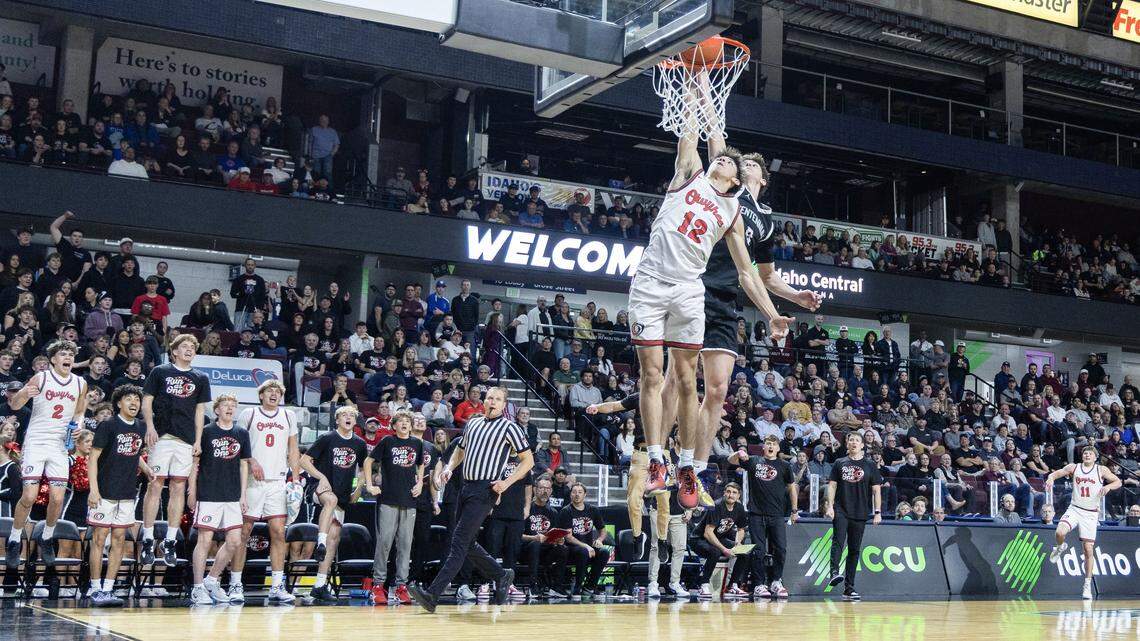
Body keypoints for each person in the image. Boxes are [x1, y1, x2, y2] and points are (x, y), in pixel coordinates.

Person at [627, 93, 791, 510]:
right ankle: (658, 458)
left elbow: (753, 272)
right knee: (657, 377)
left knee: (696, 384)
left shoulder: (744, 213)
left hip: (696, 290)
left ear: (746, 178)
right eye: (732, 159)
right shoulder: (694, 173)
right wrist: (697, 86)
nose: (731, 162)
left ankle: (691, 468)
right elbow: (701, 135)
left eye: (739, 164)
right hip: (653, 282)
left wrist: (774, 312)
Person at [659, 152, 819, 508]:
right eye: (739, 162)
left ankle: (694, 471)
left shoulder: (765, 221)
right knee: (678, 378)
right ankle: (655, 457)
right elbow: (719, 142)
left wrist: (796, 296)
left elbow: (764, 277)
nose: (743, 164)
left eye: (752, 164)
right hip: (693, 286)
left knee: (717, 390)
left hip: (725, 299)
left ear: (763, 178)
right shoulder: (726, 188)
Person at [407, 387, 533, 613]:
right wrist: (448, 467)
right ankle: (501, 575)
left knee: (458, 543)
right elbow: (460, 450)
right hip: (466, 487)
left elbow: (528, 461)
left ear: (504, 405)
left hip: (486, 489)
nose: (492, 402)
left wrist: (506, 482)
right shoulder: (473, 424)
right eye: (490, 398)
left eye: (497, 399)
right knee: (466, 542)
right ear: (484, 402)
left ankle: (432, 595)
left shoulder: (510, 428)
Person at [5, 340, 87, 569]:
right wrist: (23, 393)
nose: (67, 357)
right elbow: (15, 406)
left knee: (58, 498)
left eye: (71, 353)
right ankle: (14, 539)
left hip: (60, 445)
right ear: (53, 359)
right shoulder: (41, 378)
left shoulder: (80, 383)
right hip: (36, 442)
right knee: (29, 496)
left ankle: (47, 536)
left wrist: (78, 425)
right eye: (63, 353)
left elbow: (79, 412)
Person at [139, 334, 212, 567]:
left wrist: (198, 440)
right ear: (175, 351)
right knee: (155, 484)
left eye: (193, 346)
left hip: (186, 440)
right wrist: (149, 426)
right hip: (161, 435)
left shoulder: (200, 377)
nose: (189, 349)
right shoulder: (160, 371)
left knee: (179, 486)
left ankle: (170, 539)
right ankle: (148, 538)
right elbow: (147, 401)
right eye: (185, 346)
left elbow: (200, 412)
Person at [230, 380, 301, 603]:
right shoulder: (249, 414)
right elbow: (237, 444)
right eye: (270, 391)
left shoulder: (288, 415)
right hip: (251, 481)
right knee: (244, 532)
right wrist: (251, 461)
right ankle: (235, 584)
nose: (274, 394)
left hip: (277, 482)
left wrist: (296, 478)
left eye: (278, 391)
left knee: (279, 533)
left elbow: (293, 449)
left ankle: (277, 585)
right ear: (261, 395)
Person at [85, 384, 150, 606]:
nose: (134, 403)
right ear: (119, 403)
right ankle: (94, 588)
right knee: (99, 539)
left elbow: (134, 453)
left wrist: (147, 469)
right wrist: (93, 489)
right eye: (129, 399)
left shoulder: (141, 427)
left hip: (127, 492)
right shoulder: (108, 425)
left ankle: (109, 588)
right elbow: (92, 458)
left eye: (137, 399)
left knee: (120, 539)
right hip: (104, 492)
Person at [188, 394, 252, 605]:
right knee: (205, 541)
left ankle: (212, 580)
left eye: (233, 405)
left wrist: (243, 494)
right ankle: (197, 587)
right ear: (216, 410)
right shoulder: (206, 432)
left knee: (234, 541)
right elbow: (195, 463)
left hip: (232, 495)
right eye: (225, 405)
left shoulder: (242, 433)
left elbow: (244, 465)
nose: (229, 408)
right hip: (209, 493)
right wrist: (191, 489)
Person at [302, 406, 368, 602]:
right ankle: (319, 542)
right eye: (344, 415)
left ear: (355, 421)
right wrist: (321, 477)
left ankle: (320, 585)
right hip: (319, 488)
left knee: (335, 537)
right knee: (329, 500)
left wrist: (358, 489)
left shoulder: (359, 443)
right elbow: (304, 461)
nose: (348, 418)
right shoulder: (327, 438)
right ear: (337, 420)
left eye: (352, 416)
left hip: (343, 493)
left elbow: (364, 468)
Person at [363, 411, 425, 605]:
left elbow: (421, 464)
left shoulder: (417, 443)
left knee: (406, 544)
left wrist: (420, 483)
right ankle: (378, 585)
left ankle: (401, 586)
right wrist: (369, 484)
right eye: (402, 421)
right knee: (385, 543)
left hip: (409, 499)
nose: (405, 424)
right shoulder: (387, 442)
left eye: (408, 421)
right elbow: (368, 461)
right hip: (388, 499)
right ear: (394, 425)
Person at [1046, 446, 1122, 600]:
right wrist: (1050, 478)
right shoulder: (1074, 467)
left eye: (1090, 453)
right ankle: (1060, 547)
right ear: (1082, 456)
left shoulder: (1101, 470)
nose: (1087, 455)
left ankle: (1087, 585)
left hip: (1091, 513)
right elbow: (1057, 473)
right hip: (1075, 508)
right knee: (1060, 532)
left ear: (1095, 457)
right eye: (1085, 453)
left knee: (1088, 549)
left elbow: (1118, 482)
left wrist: (1108, 486)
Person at [728, 434, 797, 599]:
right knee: (758, 550)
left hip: (777, 514)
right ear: (763, 447)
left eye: (774, 444)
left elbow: (792, 488)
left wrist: (794, 510)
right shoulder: (754, 461)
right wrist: (739, 453)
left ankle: (776, 581)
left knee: (780, 549)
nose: (771, 446)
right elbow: (731, 460)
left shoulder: (785, 466)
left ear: (778, 448)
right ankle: (759, 584)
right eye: (768, 443)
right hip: (756, 514)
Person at [824, 432, 883, 601]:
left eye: (857, 440)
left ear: (862, 445)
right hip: (841, 510)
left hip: (861, 512)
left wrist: (877, 512)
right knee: (838, 541)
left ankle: (849, 588)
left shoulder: (870, 465)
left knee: (854, 550)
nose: (854, 442)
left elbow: (876, 489)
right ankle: (834, 573)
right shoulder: (839, 462)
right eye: (851, 440)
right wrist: (830, 506)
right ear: (847, 444)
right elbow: (832, 486)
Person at [691, 481, 748, 599]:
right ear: (724, 493)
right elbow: (708, 533)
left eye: (734, 493)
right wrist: (724, 549)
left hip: (719, 538)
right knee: (715, 552)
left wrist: (737, 543)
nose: (730, 495)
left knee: (744, 552)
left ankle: (732, 586)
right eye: (728, 492)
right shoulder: (716, 506)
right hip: (698, 539)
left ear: (739, 496)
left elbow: (741, 529)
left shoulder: (739, 508)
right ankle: (704, 585)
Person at [519, 475, 569, 598]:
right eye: (541, 488)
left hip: (546, 552)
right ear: (535, 490)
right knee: (536, 544)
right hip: (526, 551)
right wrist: (534, 538)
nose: (545, 491)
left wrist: (559, 539)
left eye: (547, 488)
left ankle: (556, 586)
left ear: (551, 491)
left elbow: (554, 533)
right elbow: (516, 535)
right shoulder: (526, 509)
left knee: (563, 549)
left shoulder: (553, 512)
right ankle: (533, 585)